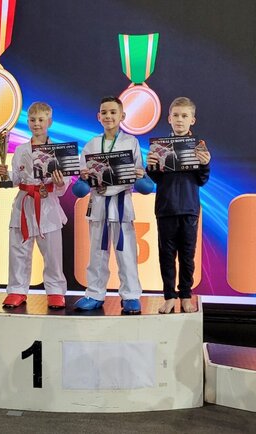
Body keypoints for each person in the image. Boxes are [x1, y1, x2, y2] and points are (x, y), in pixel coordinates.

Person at [72, 96, 148, 314]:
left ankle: (131, 295)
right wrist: (83, 177)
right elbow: (82, 182)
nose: (108, 116)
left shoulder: (131, 142)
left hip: (122, 204)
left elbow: (140, 175)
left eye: (113, 112)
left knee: (126, 252)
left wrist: (140, 174)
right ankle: (95, 293)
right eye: (104, 112)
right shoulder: (91, 144)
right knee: (97, 252)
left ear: (122, 116)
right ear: (98, 117)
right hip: (98, 204)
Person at [0, 102, 69, 309]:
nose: (36, 124)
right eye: (32, 120)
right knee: (18, 251)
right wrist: (5, 175)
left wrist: (59, 182)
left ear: (49, 122)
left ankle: (55, 291)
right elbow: (17, 179)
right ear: (27, 122)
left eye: (41, 120)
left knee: (53, 254)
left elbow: (63, 186)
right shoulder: (20, 150)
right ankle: (17, 290)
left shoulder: (59, 151)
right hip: (24, 204)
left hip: (48, 206)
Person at [146, 97, 210, 313]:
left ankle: (185, 296)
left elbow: (202, 180)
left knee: (187, 256)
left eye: (184, 116)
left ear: (193, 120)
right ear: (169, 119)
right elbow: (156, 179)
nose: (180, 120)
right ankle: (169, 297)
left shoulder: (199, 148)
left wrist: (205, 164)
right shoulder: (159, 148)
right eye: (176, 115)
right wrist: (151, 166)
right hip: (166, 209)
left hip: (189, 209)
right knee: (166, 256)